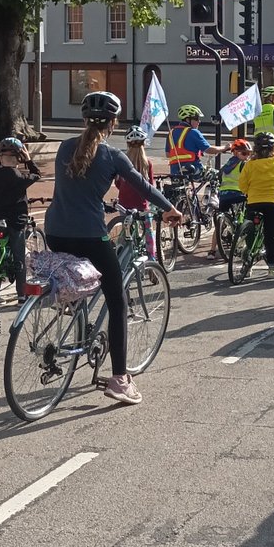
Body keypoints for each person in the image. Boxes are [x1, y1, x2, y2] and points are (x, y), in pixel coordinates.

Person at [46, 92, 183, 405]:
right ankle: (120, 379)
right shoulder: (112, 156)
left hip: (55, 231)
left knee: (78, 271)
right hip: (89, 235)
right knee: (117, 300)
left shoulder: (65, 147)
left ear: (83, 120)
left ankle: (72, 307)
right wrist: (170, 209)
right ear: (114, 123)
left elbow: (74, 188)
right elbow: (144, 188)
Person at [0, 136, 41, 301]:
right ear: (19, 158)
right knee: (19, 257)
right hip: (16, 220)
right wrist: (29, 160)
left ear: (0, 157)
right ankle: (21, 295)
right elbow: (37, 174)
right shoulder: (20, 178)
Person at [237, 132, 274, 276]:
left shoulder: (249, 165)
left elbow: (242, 185)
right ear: (273, 149)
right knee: (271, 234)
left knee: (251, 233)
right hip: (273, 202)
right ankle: (272, 267)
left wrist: (248, 192)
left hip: (254, 201)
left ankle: (248, 264)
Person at [115, 127, 159, 259]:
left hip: (124, 203)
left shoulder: (122, 161)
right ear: (144, 143)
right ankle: (152, 258)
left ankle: (121, 253)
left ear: (128, 144)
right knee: (148, 231)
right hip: (141, 204)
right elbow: (150, 186)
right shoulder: (147, 163)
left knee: (126, 229)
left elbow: (118, 183)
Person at [165, 105, 226, 179]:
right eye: (196, 119)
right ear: (188, 120)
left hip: (175, 171)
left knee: (181, 189)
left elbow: (168, 154)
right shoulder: (193, 132)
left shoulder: (171, 132)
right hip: (194, 170)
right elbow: (209, 150)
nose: (199, 121)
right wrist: (225, 147)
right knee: (217, 175)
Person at [217, 138, 251, 214]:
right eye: (244, 153)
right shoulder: (243, 164)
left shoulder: (227, 164)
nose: (247, 157)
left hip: (223, 195)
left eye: (249, 154)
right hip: (237, 193)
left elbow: (219, 177)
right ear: (235, 152)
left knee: (224, 214)